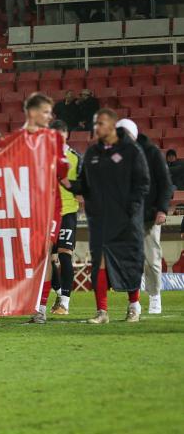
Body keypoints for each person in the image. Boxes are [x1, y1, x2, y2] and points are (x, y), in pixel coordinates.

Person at [64, 109, 149, 324]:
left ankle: (133, 306)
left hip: (127, 217)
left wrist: (132, 209)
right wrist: (67, 183)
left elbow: (141, 184)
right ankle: (102, 311)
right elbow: (85, 185)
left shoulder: (133, 153)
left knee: (128, 262)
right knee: (99, 263)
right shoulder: (93, 153)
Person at [21, 94, 70, 324]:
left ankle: (40, 307)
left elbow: (62, 171)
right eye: (45, 111)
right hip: (22, 206)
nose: (50, 116)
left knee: (44, 255)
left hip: (49, 207)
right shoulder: (18, 140)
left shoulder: (54, 140)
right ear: (31, 112)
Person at [116, 119, 173, 315]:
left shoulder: (152, 153)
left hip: (149, 216)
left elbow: (166, 183)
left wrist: (162, 209)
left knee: (151, 259)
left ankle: (155, 296)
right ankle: (134, 302)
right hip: (129, 217)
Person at [48, 120, 80, 316]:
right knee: (46, 259)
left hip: (67, 211)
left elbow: (82, 183)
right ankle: (59, 293)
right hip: (48, 214)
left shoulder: (75, 158)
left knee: (64, 254)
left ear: (66, 134)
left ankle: (65, 303)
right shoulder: (44, 157)